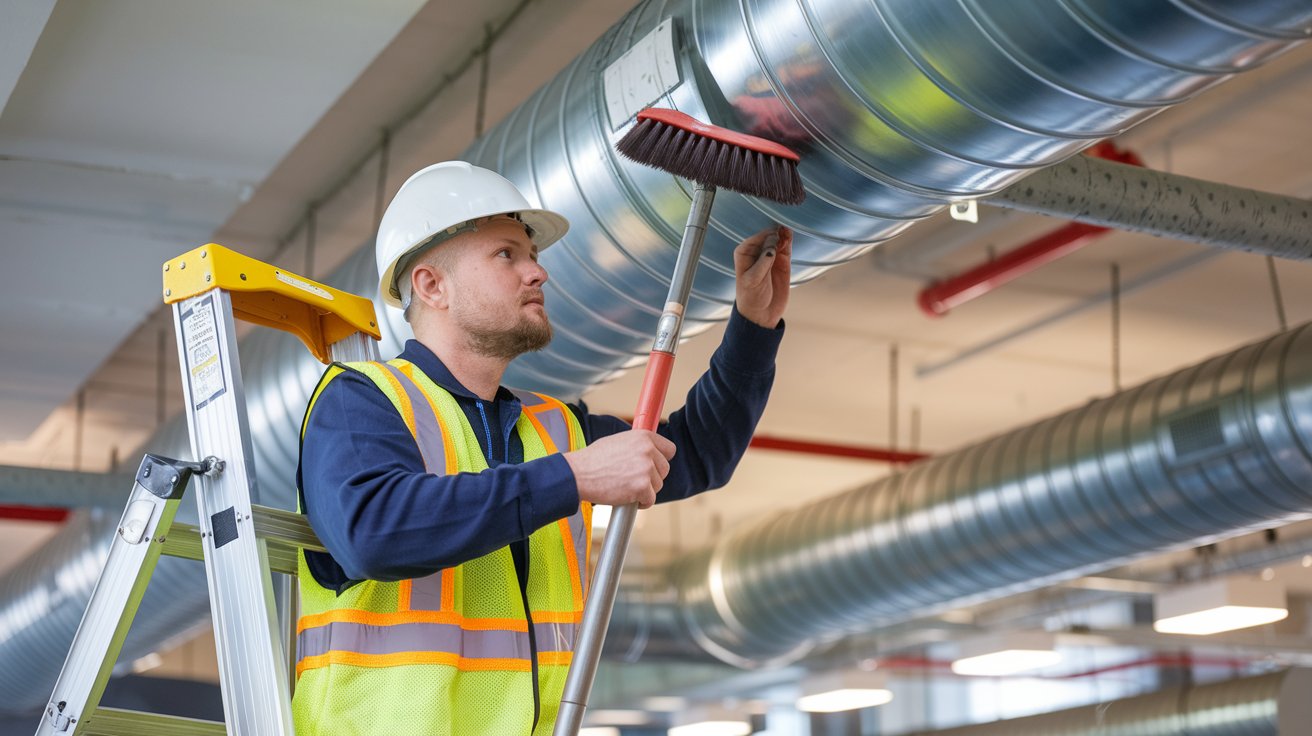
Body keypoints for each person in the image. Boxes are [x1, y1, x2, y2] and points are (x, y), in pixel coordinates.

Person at [292, 160, 792, 735]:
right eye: (507, 254)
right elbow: (373, 532)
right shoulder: (362, 399)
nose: (537, 273)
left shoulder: (554, 427)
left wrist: (754, 326)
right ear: (432, 285)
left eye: (533, 255)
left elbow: (696, 452)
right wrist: (570, 479)